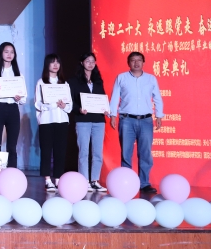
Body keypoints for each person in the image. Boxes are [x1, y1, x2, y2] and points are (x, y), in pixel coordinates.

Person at [109, 52, 164, 194]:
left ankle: (144, 183)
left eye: (139, 60)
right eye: (133, 60)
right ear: (128, 63)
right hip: (127, 119)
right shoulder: (121, 77)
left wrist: (159, 115)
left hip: (146, 120)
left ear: (143, 62)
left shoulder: (151, 79)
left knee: (145, 153)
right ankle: (126, 182)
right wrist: (113, 114)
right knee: (126, 153)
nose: (136, 63)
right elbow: (115, 97)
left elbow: (157, 97)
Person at [68, 52, 108, 192]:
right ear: (82, 63)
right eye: (87, 61)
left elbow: (102, 98)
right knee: (84, 152)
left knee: (98, 152)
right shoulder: (73, 81)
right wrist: (79, 109)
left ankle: (95, 180)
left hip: (98, 120)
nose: (90, 64)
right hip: (83, 120)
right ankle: (84, 180)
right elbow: (70, 102)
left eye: (92, 61)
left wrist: (105, 109)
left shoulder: (98, 80)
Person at [35, 54, 72, 192]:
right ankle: (47, 179)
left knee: (60, 152)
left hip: (62, 120)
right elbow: (37, 103)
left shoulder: (64, 83)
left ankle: (58, 178)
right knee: (46, 151)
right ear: (47, 65)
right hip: (46, 121)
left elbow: (70, 106)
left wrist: (64, 106)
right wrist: (50, 105)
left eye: (58, 62)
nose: (55, 65)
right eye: (52, 62)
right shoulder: (41, 82)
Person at [0, 42, 26, 168]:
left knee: (12, 146)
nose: (9, 54)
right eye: (6, 51)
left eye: (12, 52)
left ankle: (11, 172)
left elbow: (23, 99)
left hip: (13, 109)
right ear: (1, 53)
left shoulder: (18, 75)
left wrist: (19, 98)